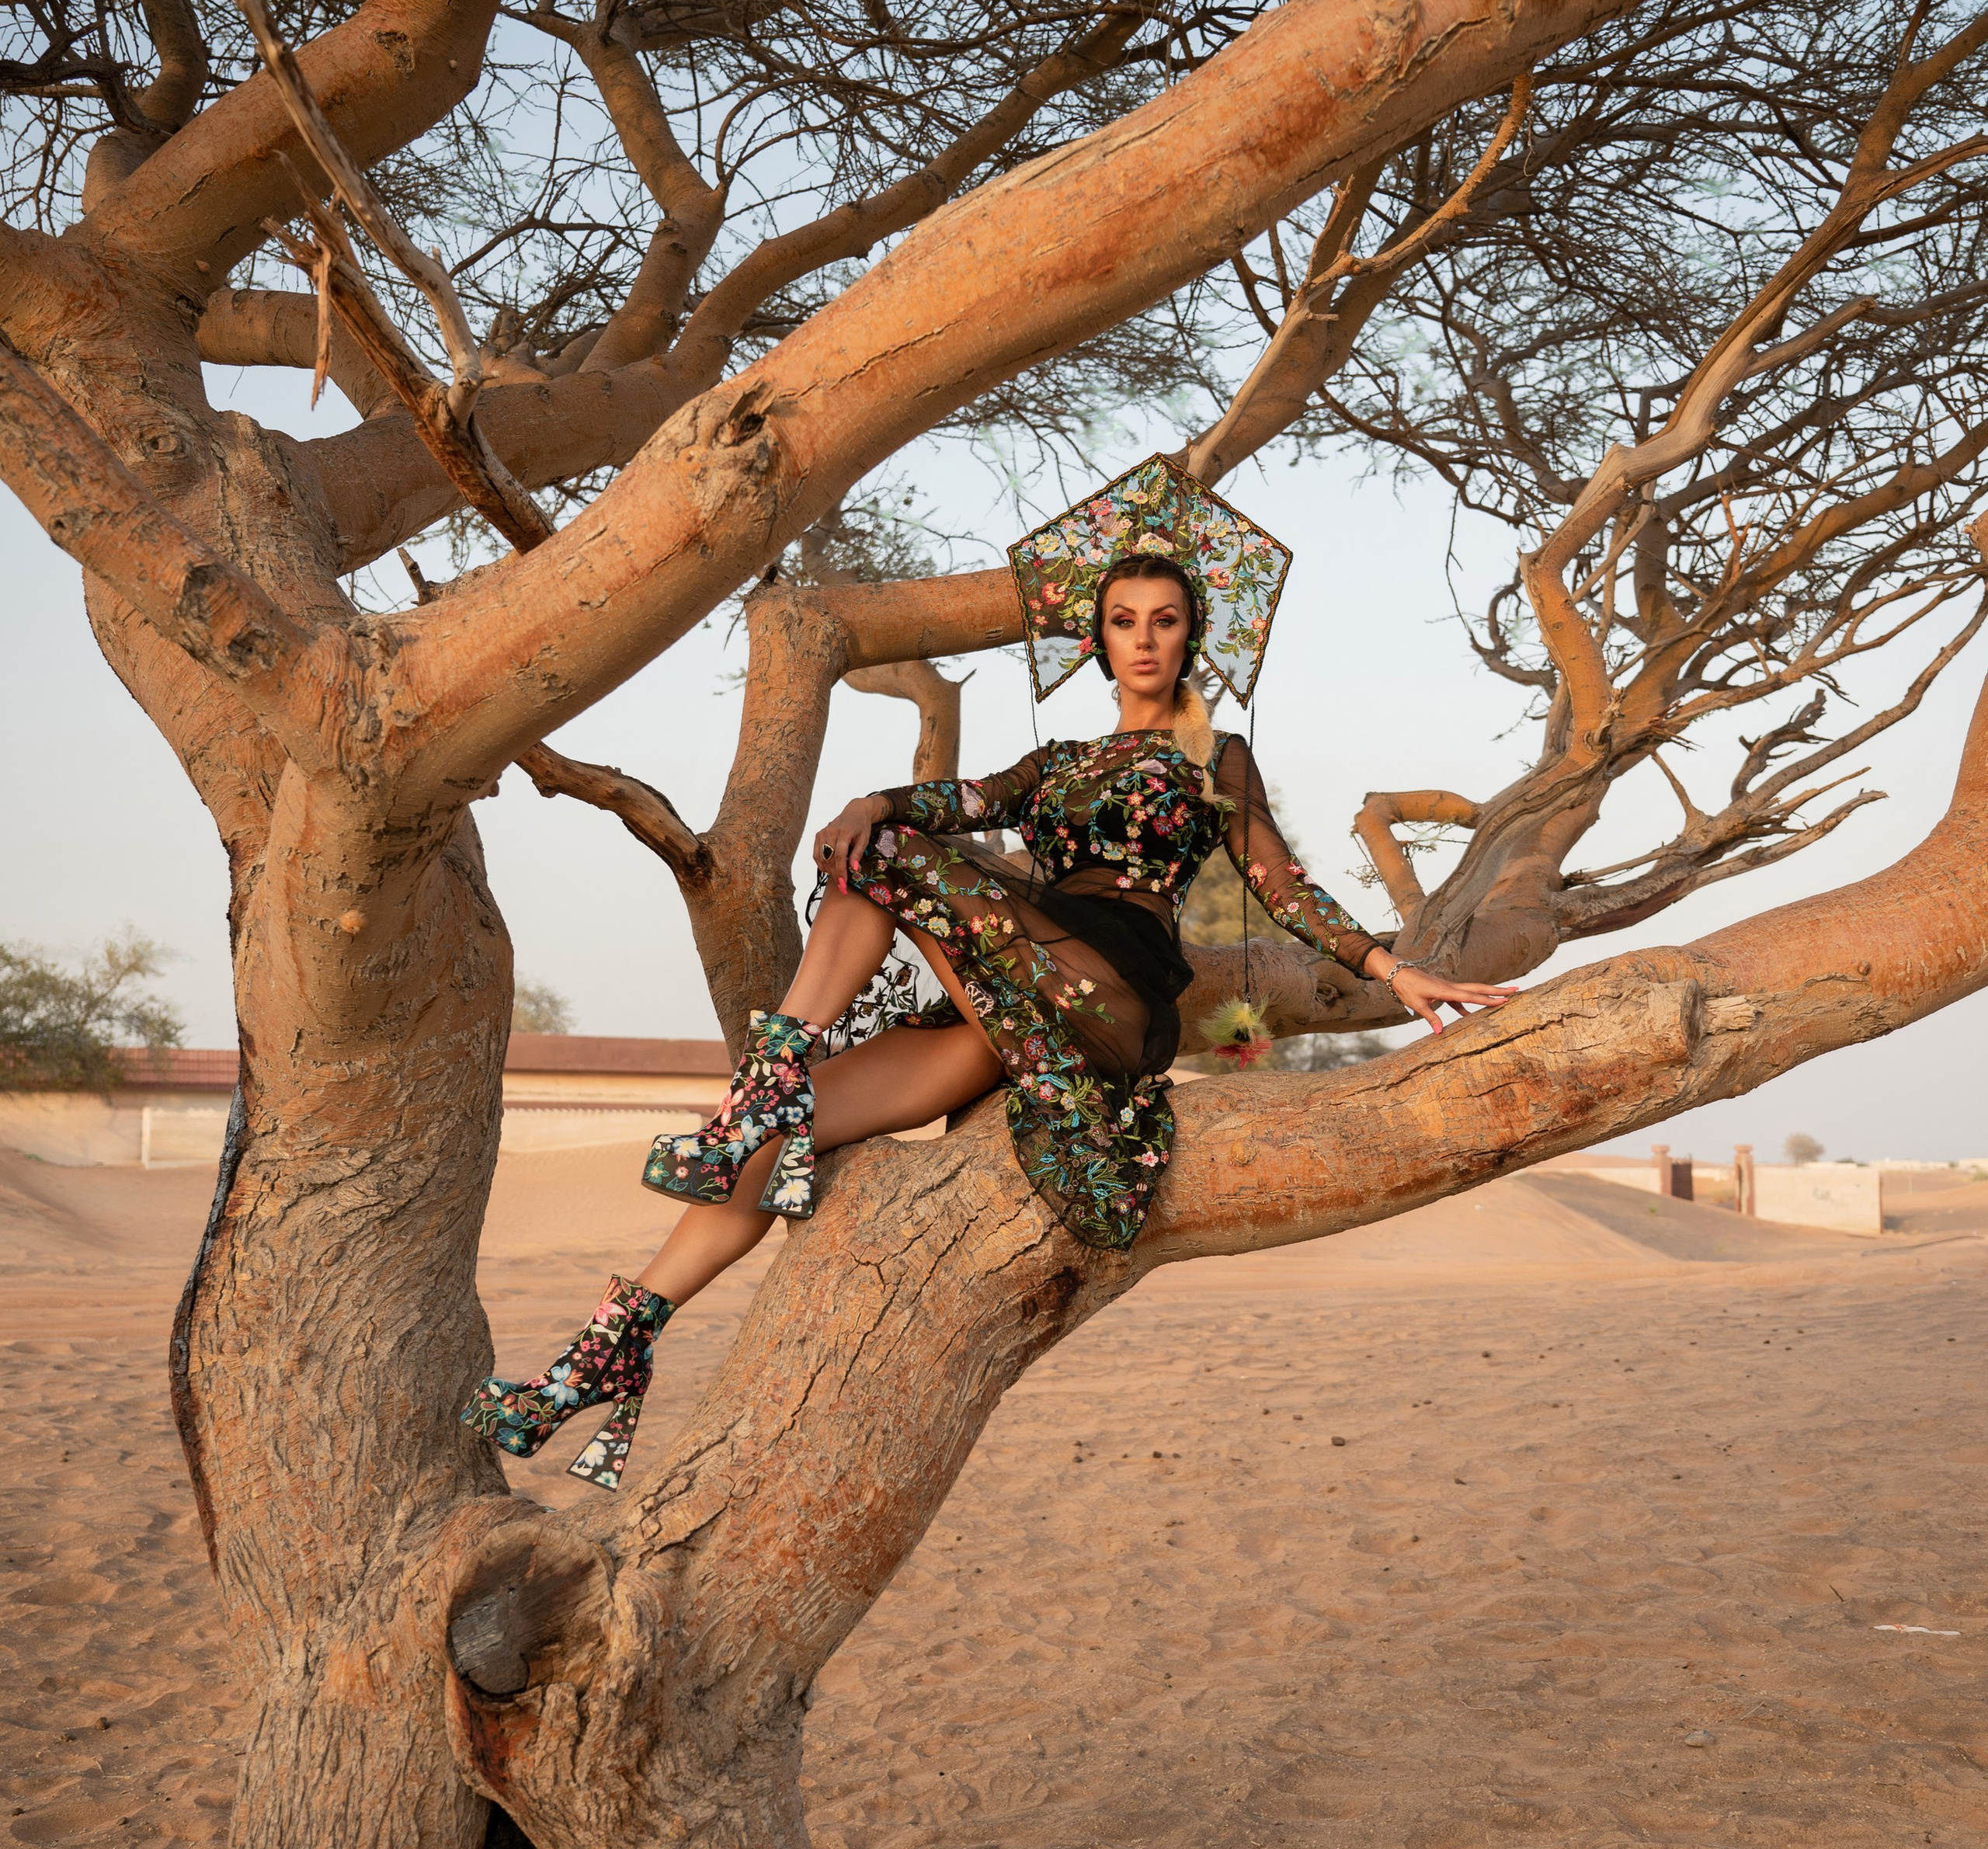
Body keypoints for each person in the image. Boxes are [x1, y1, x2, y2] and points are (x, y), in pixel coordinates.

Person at [464, 546, 1516, 1487]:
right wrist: (870, 798)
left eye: (1165, 620)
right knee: (788, 1123)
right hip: (1001, 1005)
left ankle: (750, 1096)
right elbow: (950, 803)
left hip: (1106, 990)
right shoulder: (1052, 765)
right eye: (1123, 622)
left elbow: (1281, 883)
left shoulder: (1212, 761)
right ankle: (594, 1364)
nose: (1144, 639)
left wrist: (1389, 966)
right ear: (1098, 642)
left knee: (884, 864)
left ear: (1192, 636)